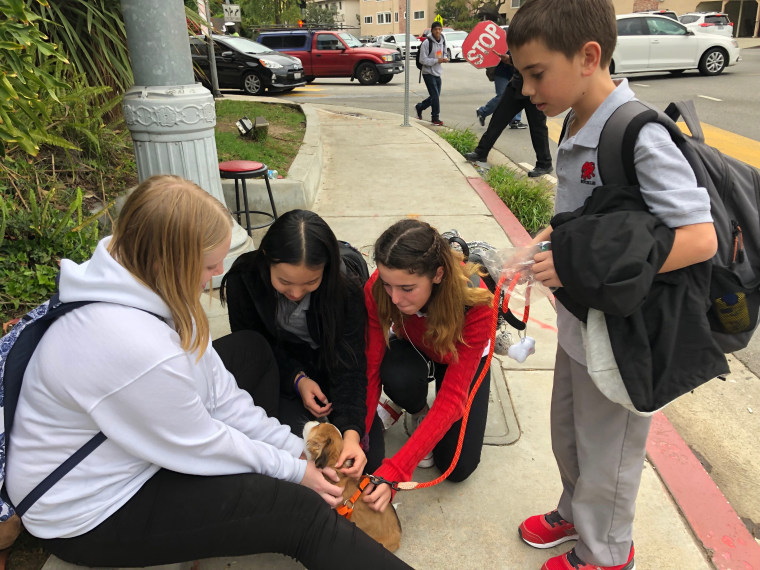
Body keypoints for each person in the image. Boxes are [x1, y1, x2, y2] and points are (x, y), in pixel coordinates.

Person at [5, 175, 409, 569]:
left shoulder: (148, 289)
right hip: (85, 512)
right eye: (209, 264)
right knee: (295, 510)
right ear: (170, 261)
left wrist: (296, 451)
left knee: (282, 466)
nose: (216, 274)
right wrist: (296, 470)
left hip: (127, 458)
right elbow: (203, 442)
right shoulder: (131, 342)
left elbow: (224, 400)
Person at [506, 1, 719, 569]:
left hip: (625, 332)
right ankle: (575, 513)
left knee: (611, 451)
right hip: (583, 322)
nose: (526, 90)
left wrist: (578, 268)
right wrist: (541, 240)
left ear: (589, 57)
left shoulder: (637, 133)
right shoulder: (578, 120)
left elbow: (700, 239)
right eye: (520, 75)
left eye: (535, 73)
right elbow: (587, 217)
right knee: (570, 433)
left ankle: (606, 553)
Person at [220, 209, 368, 480]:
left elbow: (352, 365)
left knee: (360, 461)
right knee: (293, 452)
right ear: (266, 260)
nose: (297, 293)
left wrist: (351, 433)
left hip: (329, 372)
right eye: (284, 282)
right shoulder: (244, 280)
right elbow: (257, 350)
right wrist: (297, 380)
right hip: (279, 372)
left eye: (311, 282)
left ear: (327, 268)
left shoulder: (345, 290)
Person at [359, 219, 494, 513]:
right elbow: (370, 368)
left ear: (438, 274)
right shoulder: (378, 287)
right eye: (387, 285)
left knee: (457, 469)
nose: (395, 298)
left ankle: (420, 419)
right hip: (415, 346)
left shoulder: (476, 303)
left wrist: (397, 469)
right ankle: (417, 410)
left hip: (459, 355)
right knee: (395, 374)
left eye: (407, 288)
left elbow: (453, 399)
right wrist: (360, 432)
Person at [465, 49, 553, 178]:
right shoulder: (521, 35)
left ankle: (544, 163)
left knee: (537, 127)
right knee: (498, 119)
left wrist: (511, 59)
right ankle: (481, 152)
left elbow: (537, 59)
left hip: (535, 88)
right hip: (516, 85)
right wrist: (510, 59)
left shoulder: (539, 35)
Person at [476, 42, 526, 129]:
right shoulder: (502, 36)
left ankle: (515, 120)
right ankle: (483, 111)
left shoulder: (524, 39)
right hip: (502, 73)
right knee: (502, 96)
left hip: (516, 72)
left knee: (518, 94)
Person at [415, 21, 448, 126]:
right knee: (435, 96)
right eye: (435, 29)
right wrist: (437, 60)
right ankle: (435, 118)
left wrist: (445, 58)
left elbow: (444, 53)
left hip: (437, 72)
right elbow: (422, 60)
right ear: (432, 31)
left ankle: (420, 107)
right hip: (427, 72)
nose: (437, 31)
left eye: (439, 29)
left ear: (441, 30)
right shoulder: (426, 43)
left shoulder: (443, 40)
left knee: (435, 96)